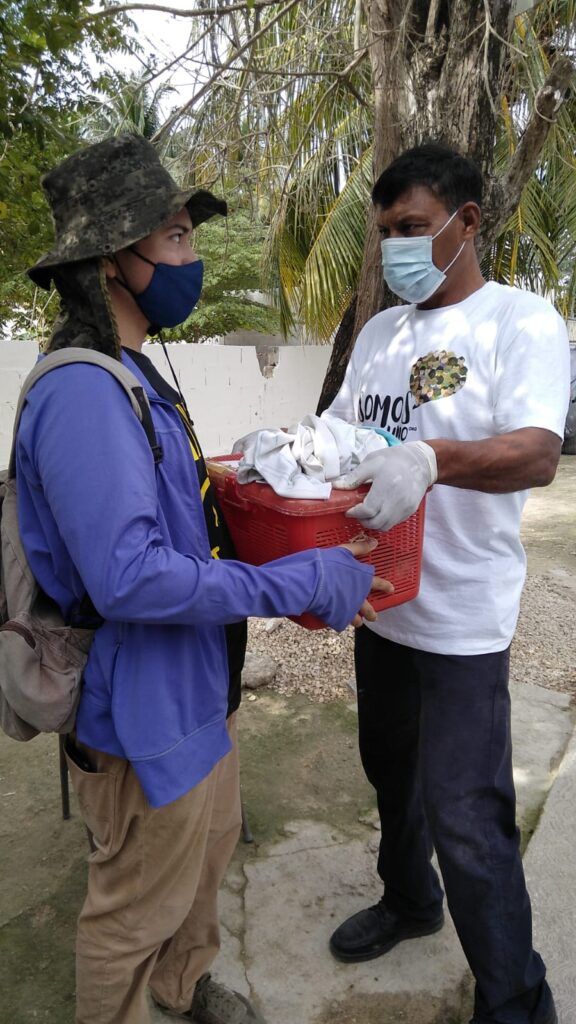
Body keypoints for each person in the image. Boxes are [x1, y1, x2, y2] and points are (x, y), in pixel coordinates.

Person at [18, 133, 392, 1024]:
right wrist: (293, 583)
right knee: (132, 905)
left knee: (209, 851)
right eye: (178, 237)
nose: (193, 256)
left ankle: (182, 988)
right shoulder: (81, 392)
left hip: (196, 684)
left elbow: (175, 520)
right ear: (114, 258)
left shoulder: (137, 373)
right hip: (141, 701)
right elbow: (131, 581)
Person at [327, 142, 570, 1024]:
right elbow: (339, 435)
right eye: (386, 231)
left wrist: (431, 458)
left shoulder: (520, 322)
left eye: (414, 228)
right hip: (380, 604)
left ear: (468, 224)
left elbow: (538, 453)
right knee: (389, 774)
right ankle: (408, 899)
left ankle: (516, 1001)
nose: (396, 246)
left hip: (464, 616)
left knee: (468, 816)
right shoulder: (383, 332)